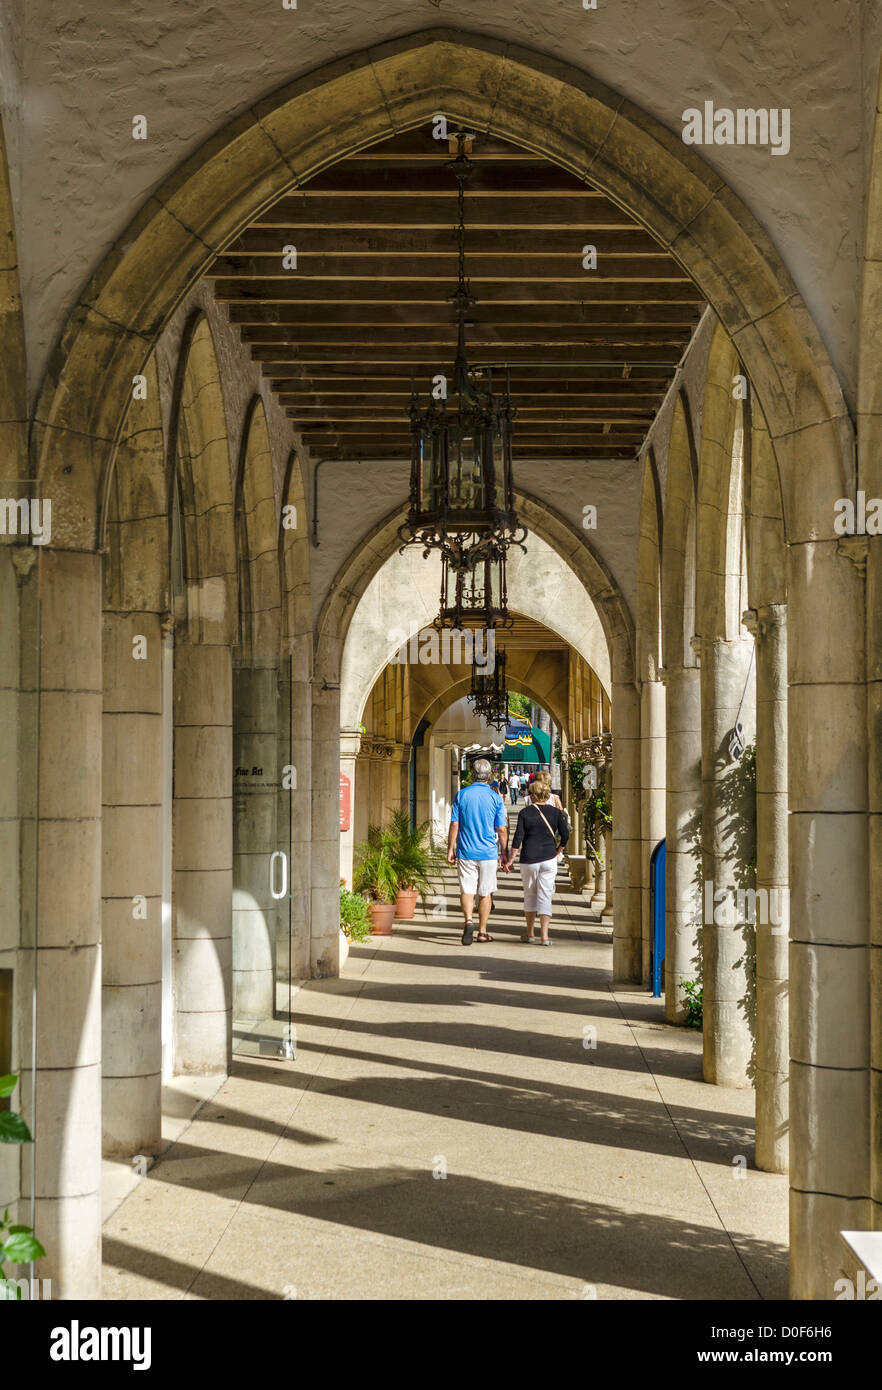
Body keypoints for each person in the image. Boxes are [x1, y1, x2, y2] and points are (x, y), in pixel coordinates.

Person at [447, 757, 508, 946]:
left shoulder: (462, 795)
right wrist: (504, 852)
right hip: (488, 852)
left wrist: (451, 848)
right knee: (485, 892)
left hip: (466, 851)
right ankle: (482, 931)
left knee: (467, 889)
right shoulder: (495, 797)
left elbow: (455, 824)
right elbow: (502, 829)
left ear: (472, 774)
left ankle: (468, 921)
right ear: (489, 776)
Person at [503, 776, 569, 944]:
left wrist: (510, 859)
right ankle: (545, 936)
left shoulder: (525, 813)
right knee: (546, 895)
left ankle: (530, 933)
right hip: (549, 858)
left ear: (533, 795)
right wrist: (558, 850)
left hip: (529, 859)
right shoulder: (555, 813)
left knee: (530, 895)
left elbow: (518, 838)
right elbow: (566, 834)